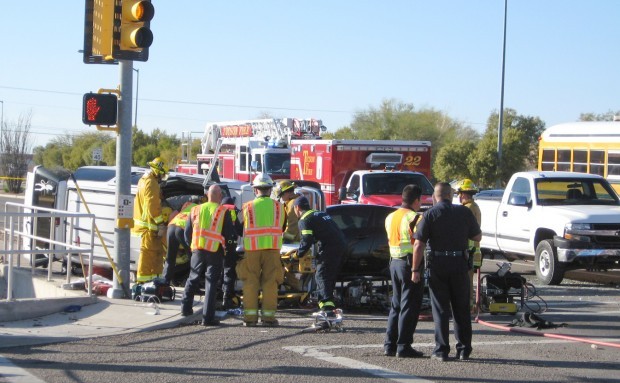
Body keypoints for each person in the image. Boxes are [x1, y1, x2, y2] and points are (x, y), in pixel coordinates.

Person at [413, 182, 481, 362]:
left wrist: (414, 269)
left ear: (435, 196)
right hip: (459, 264)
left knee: (440, 309)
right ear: (451, 196)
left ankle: (441, 350)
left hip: (438, 265)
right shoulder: (464, 212)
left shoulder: (429, 214)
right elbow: (477, 236)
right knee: (461, 309)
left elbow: (418, 244)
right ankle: (464, 350)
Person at [181, 185, 236, 326]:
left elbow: (187, 233)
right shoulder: (223, 211)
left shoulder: (195, 209)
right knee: (211, 283)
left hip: (197, 249)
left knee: (192, 277)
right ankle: (208, 318)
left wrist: (192, 247)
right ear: (218, 196)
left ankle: (185, 308)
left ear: (207, 195)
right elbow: (228, 233)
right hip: (214, 250)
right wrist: (227, 250)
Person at [236, 173, 286, 327]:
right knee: (270, 283)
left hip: (252, 249)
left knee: (251, 282)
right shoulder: (279, 207)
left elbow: (239, 229)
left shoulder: (248, 207)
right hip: (272, 249)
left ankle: (250, 319)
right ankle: (268, 318)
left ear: (255, 190)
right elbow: (282, 227)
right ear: (270, 190)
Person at [383, 185, 425, 358]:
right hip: (409, 264)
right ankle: (404, 346)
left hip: (394, 263)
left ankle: (389, 345)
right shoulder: (415, 218)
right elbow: (418, 245)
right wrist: (416, 269)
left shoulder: (390, 216)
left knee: (396, 305)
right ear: (416, 200)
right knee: (409, 306)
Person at [293, 195, 346, 316]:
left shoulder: (304, 219)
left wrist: (297, 255)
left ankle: (327, 309)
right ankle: (329, 306)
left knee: (321, 276)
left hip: (330, 247)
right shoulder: (319, 213)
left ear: (297, 208)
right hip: (340, 245)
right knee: (328, 276)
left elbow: (307, 240)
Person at [132, 157, 169, 283]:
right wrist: (160, 223)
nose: (162, 178)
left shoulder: (144, 180)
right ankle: (142, 282)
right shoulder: (151, 182)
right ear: (157, 171)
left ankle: (155, 281)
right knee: (148, 255)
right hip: (149, 227)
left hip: (150, 226)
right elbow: (152, 205)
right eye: (162, 175)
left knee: (156, 255)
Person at [456, 179, 483, 311]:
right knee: (468, 280)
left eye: (460, 193)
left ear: (466, 194)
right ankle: (469, 305)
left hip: (468, 250)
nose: (459, 196)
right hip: (474, 249)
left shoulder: (467, 209)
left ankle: (466, 306)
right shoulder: (474, 206)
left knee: (465, 281)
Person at [162, 197, 200, 286]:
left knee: (170, 258)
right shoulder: (199, 208)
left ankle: (164, 282)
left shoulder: (186, 205)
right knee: (193, 258)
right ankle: (192, 284)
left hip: (171, 226)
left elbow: (173, 214)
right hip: (182, 229)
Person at [219, 196, 243, 309]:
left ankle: (217, 295)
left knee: (218, 270)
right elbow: (239, 230)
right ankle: (227, 298)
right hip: (230, 244)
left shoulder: (218, 210)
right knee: (229, 270)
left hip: (217, 244)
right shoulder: (233, 212)